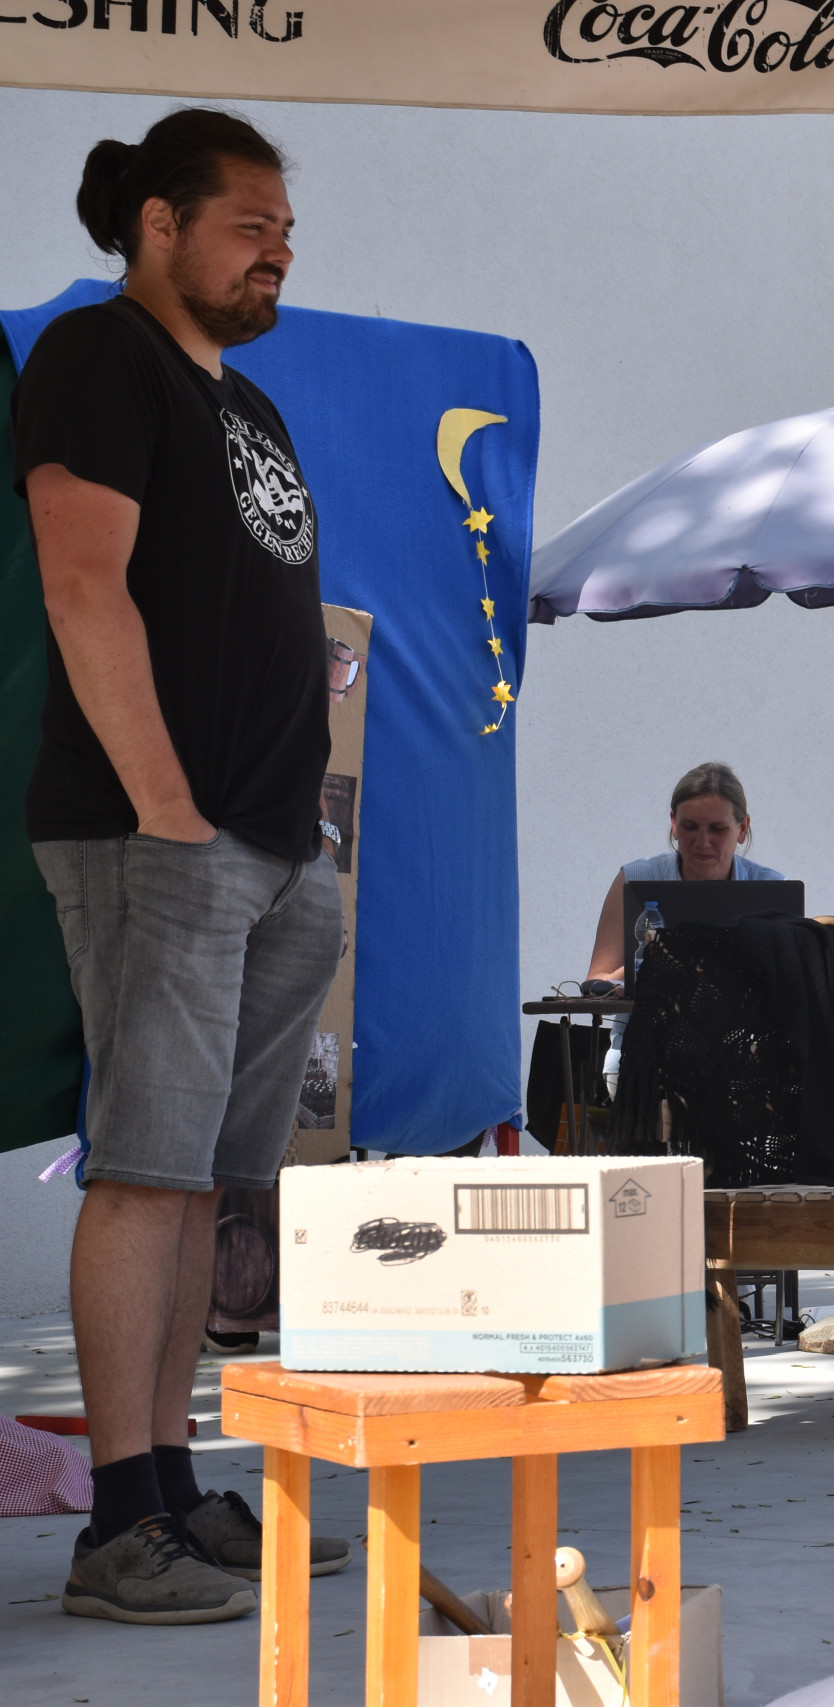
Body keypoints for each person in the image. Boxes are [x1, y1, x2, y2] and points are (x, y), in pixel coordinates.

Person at [17, 108, 354, 1622]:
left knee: (208, 1181)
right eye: (250, 225)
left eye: (287, 230)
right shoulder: (99, 358)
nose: (278, 250)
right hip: (157, 836)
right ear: (159, 224)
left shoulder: (251, 405)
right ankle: (114, 1529)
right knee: (147, 1169)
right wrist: (167, 807)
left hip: (275, 850)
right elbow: (82, 585)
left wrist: (300, 835)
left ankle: (167, 1481)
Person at [583, 760, 787, 984]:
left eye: (717, 829)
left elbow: (790, 985)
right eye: (690, 827)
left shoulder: (773, 886)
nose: (703, 841)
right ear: (674, 823)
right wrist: (644, 967)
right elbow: (596, 981)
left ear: (743, 828)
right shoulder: (634, 878)